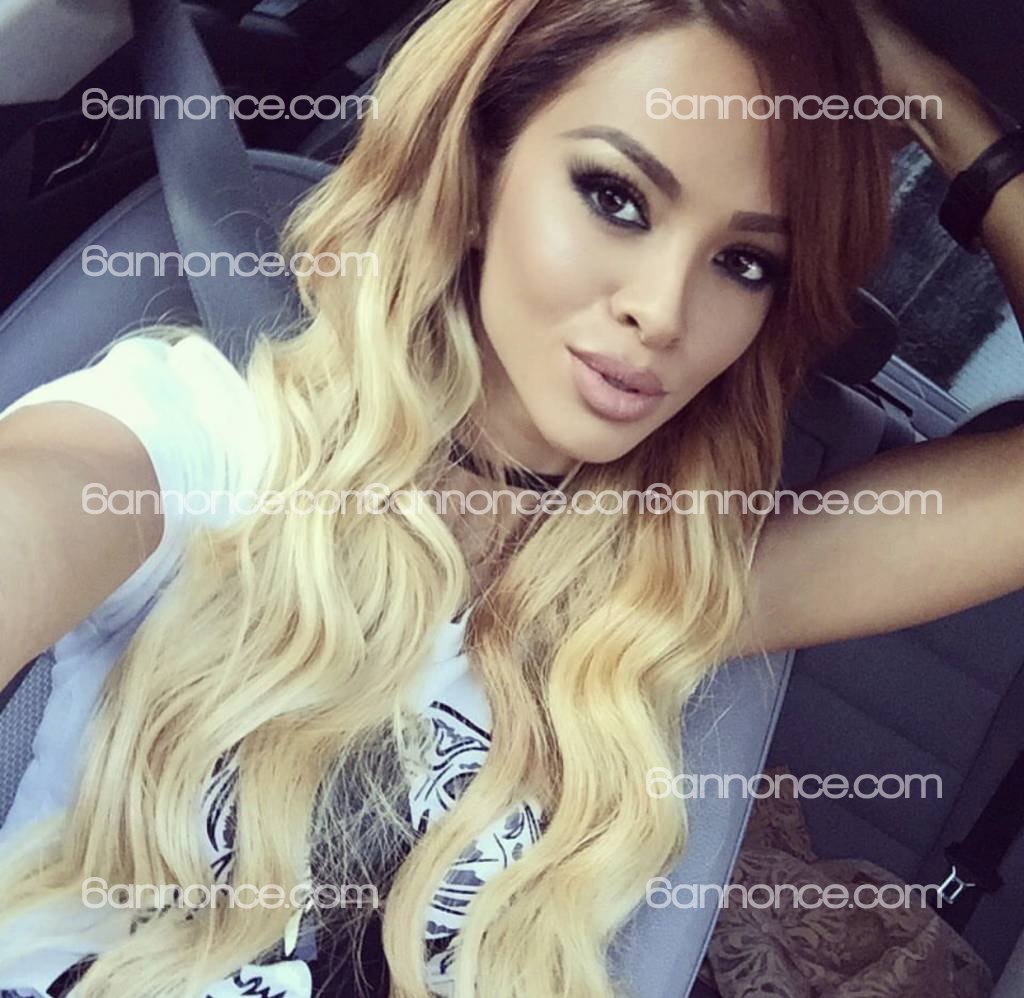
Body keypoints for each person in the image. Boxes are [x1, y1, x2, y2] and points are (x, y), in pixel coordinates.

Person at [0, 0, 1021, 995]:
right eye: (616, 198)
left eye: (744, 262)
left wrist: (931, 92)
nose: (663, 311)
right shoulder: (196, 442)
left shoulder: (669, 584)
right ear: (482, 165)